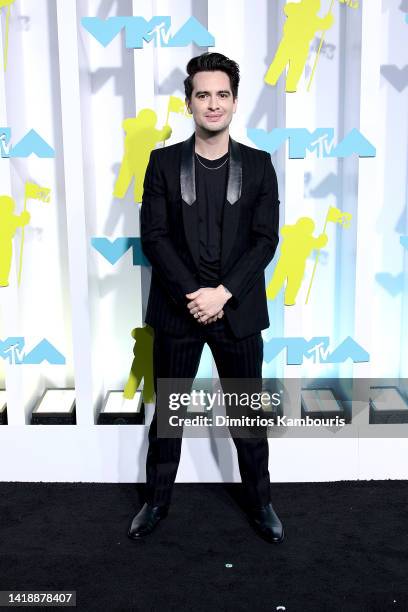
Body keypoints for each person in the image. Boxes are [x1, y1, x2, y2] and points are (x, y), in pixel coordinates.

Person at [128, 52, 283, 543]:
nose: (212, 104)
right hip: (179, 311)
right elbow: (154, 236)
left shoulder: (259, 166)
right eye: (203, 95)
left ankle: (262, 505)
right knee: (168, 421)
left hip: (236, 313)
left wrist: (223, 294)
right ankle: (155, 504)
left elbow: (265, 240)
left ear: (234, 103)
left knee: (247, 419)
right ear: (188, 102)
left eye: (221, 95)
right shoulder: (162, 162)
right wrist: (195, 294)